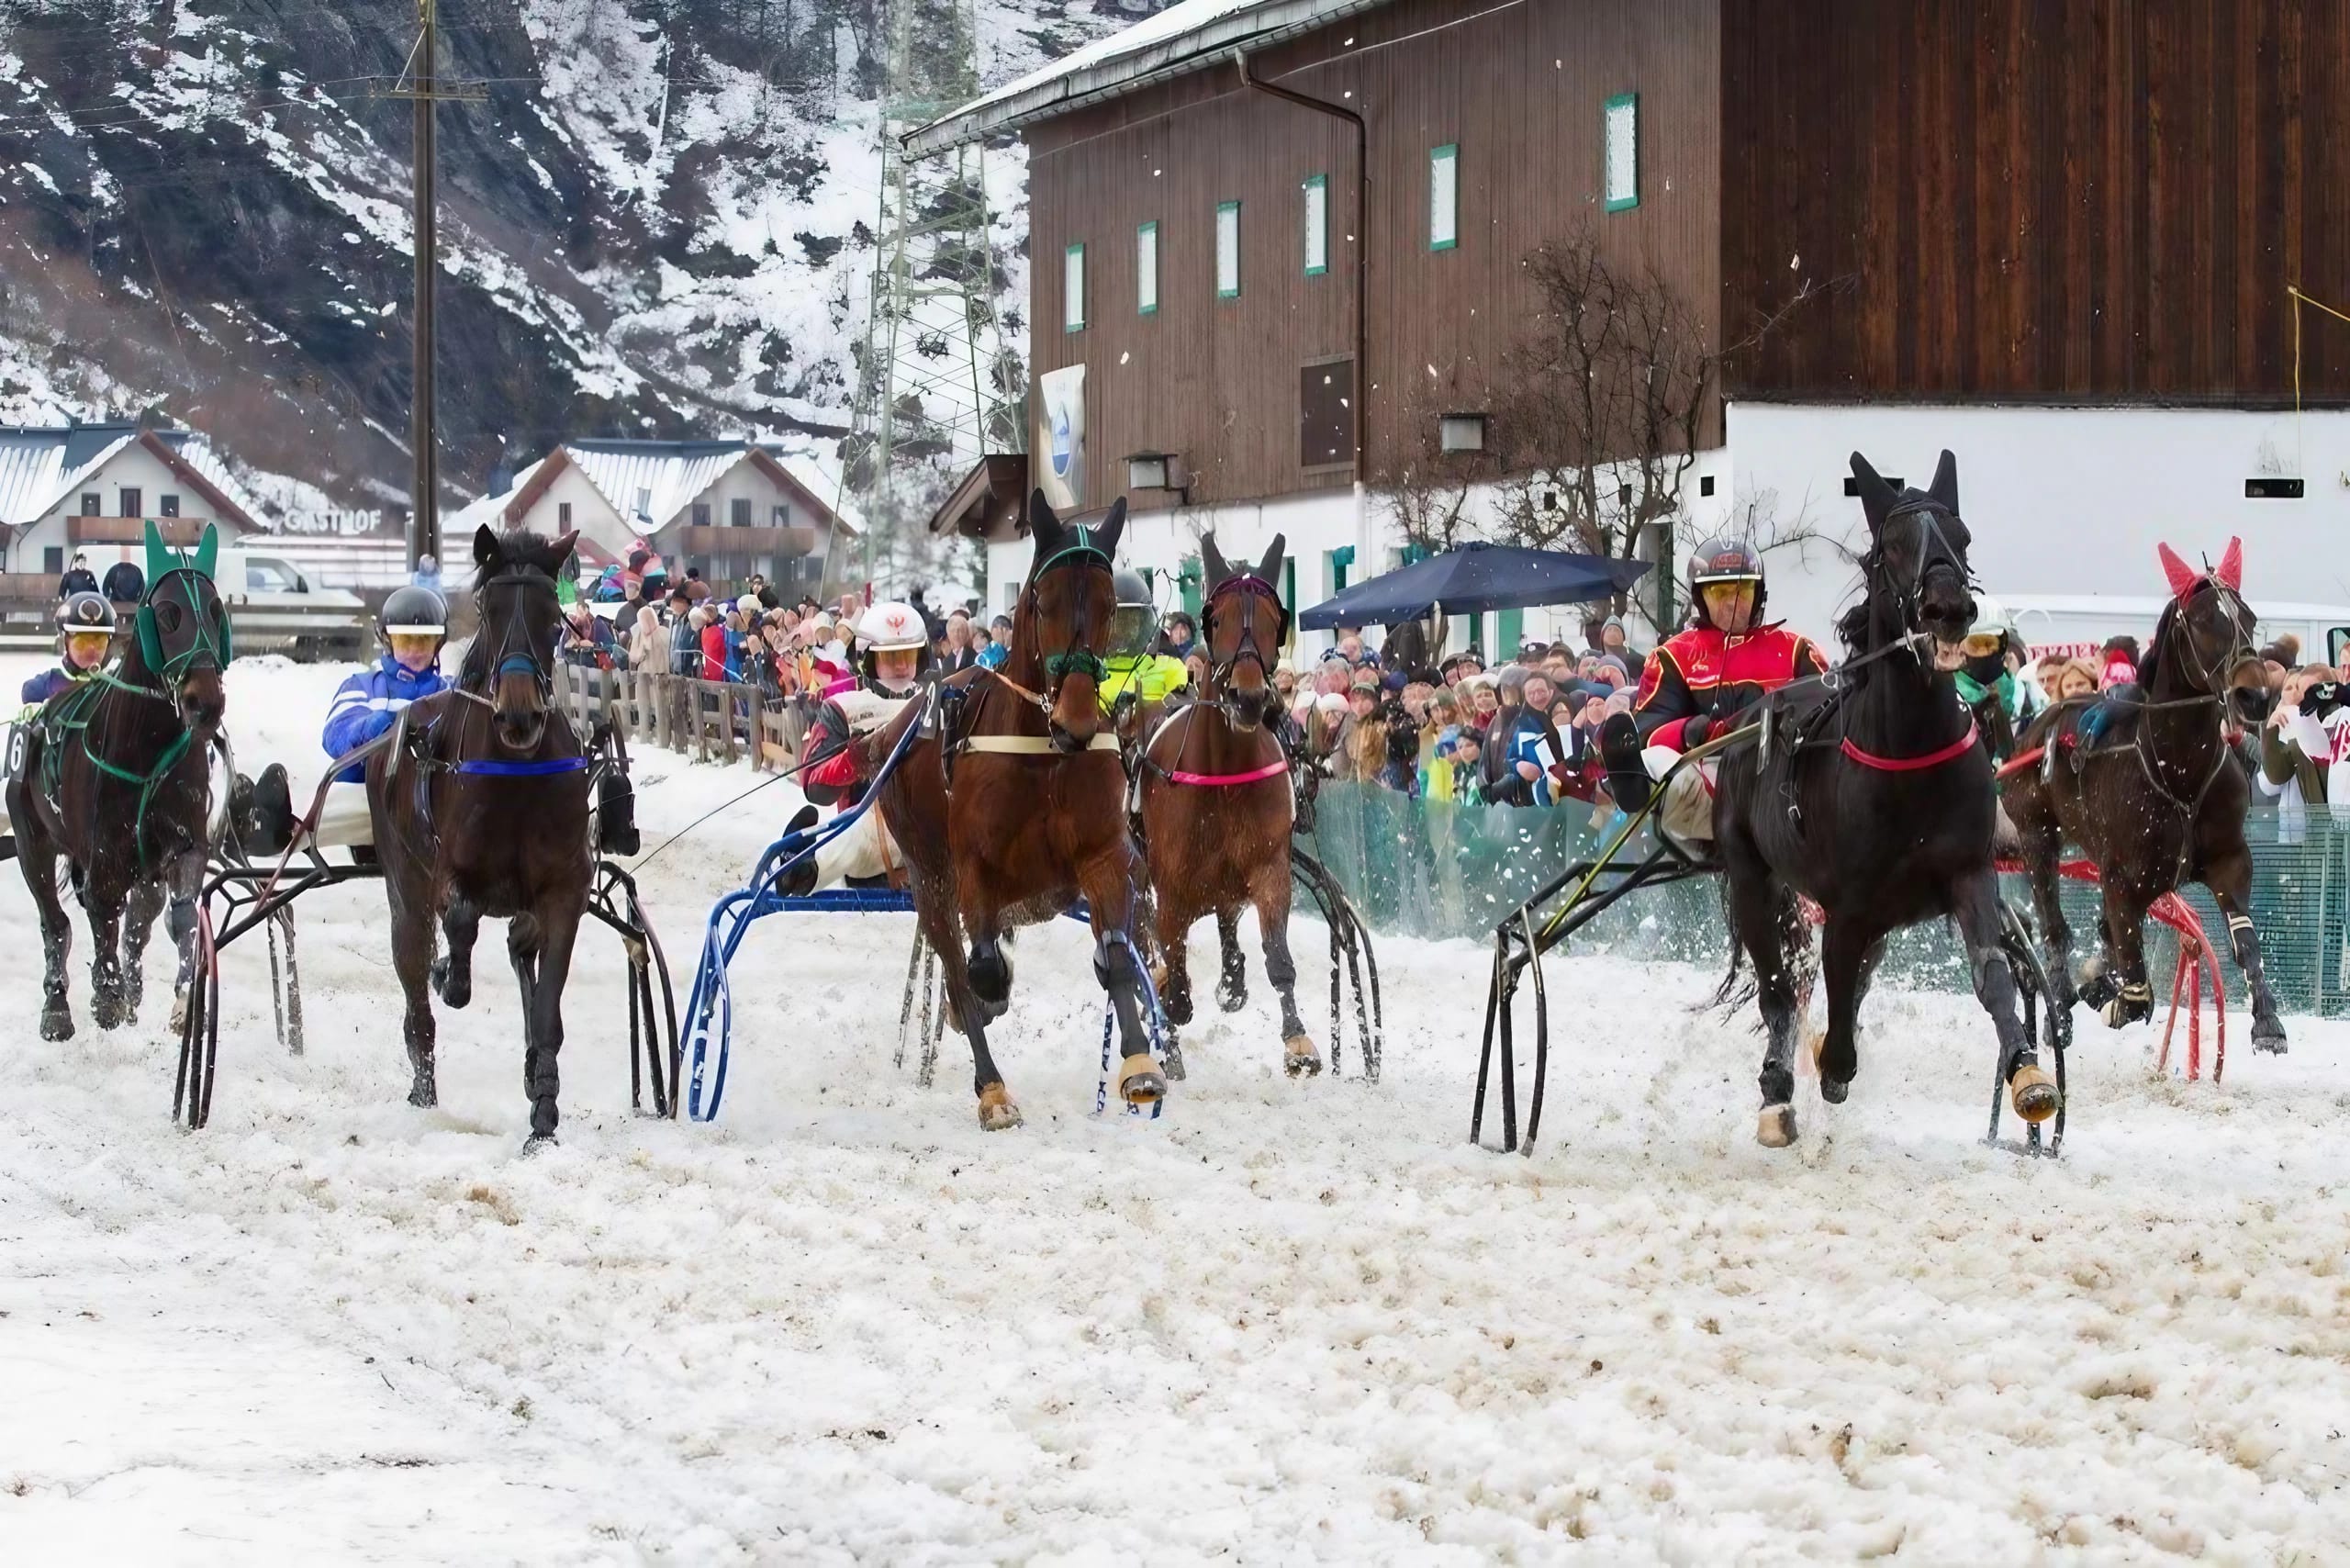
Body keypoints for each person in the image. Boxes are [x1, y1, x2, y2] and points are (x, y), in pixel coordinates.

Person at [1598, 538, 1828, 844]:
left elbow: (1829, 716)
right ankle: (1631, 784)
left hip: (1784, 786)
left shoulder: (1797, 650)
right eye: (1720, 592)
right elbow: (1648, 731)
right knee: (1654, 759)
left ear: (1758, 594)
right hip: (1711, 788)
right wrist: (1691, 731)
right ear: (1700, 597)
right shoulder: (1673, 656)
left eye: (1742, 590)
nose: (1733, 603)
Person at [239, 587, 453, 856]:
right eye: (405, 640)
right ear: (387, 640)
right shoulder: (363, 686)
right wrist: (378, 726)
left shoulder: (451, 693)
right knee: (339, 787)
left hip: (439, 800)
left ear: (439, 644)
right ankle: (272, 827)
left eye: (423, 641)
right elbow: (336, 736)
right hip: (374, 800)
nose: (414, 651)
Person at [773, 599, 935, 895]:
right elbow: (814, 786)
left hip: (931, 834)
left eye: (907, 655)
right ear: (868, 659)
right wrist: (859, 757)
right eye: (890, 657)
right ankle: (801, 868)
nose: (901, 666)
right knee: (850, 836)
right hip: (870, 837)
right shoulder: (844, 708)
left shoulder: (939, 704)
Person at [1098, 570, 1190, 716]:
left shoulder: (1170, 668)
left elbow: (1184, 716)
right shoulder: (1092, 675)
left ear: (1144, 623)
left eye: (1132, 620)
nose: (1124, 629)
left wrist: (1148, 708)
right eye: (1118, 621)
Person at [20, 590, 116, 706]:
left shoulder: (117, 687)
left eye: (100, 642)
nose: (92, 650)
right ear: (66, 642)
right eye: (82, 643)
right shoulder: (43, 688)